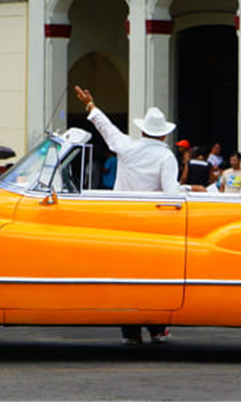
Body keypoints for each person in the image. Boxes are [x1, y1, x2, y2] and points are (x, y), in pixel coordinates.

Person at [74, 85, 176, 345]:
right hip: (153, 224)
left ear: (142, 130)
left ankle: (130, 333)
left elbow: (106, 128)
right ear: (163, 135)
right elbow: (171, 193)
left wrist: (91, 105)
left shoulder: (127, 147)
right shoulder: (166, 157)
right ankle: (157, 329)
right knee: (155, 280)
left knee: (125, 277)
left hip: (121, 220)